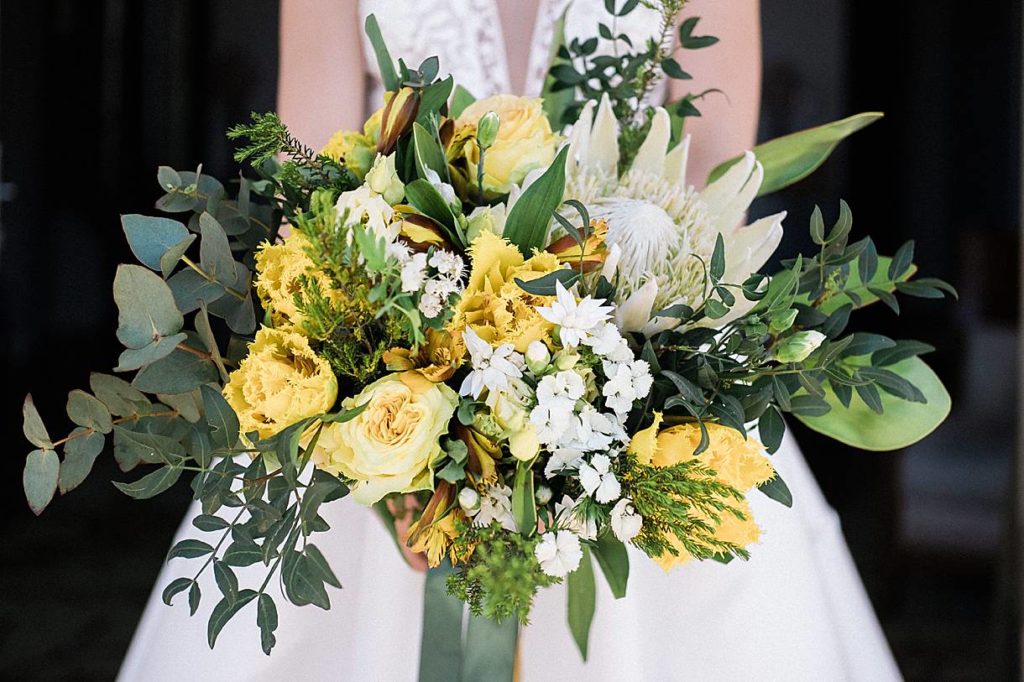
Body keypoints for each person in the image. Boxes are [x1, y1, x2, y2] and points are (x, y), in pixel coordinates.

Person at [119, 2, 902, 679]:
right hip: (394, 359)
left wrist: (607, 411)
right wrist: (394, 437)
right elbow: (313, 184)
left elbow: (711, 180)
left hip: (637, 366)